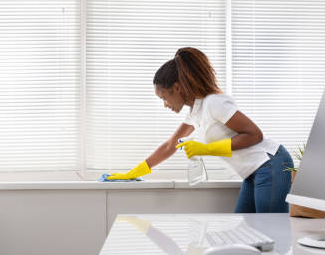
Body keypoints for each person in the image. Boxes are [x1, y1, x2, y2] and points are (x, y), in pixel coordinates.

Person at [108, 47, 294, 213]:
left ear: (177, 87)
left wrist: (206, 149)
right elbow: (170, 145)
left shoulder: (215, 102)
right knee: (244, 233)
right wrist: (135, 172)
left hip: (270, 162)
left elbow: (254, 134)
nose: (165, 105)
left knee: (271, 231)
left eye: (164, 97)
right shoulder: (196, 111)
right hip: (252, 172)